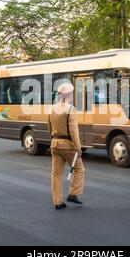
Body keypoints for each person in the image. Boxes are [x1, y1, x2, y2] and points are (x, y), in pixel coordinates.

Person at [47, 82, 85, 210]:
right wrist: (78, 147)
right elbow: (74, 131)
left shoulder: (52, 108)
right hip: (68, 145)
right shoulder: (71, 109)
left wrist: (54, 139)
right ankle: (73, 194)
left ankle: (57, 202)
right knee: (79, 169)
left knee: (56, 174)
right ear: (69, 94)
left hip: (55, 144)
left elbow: (49, 127)